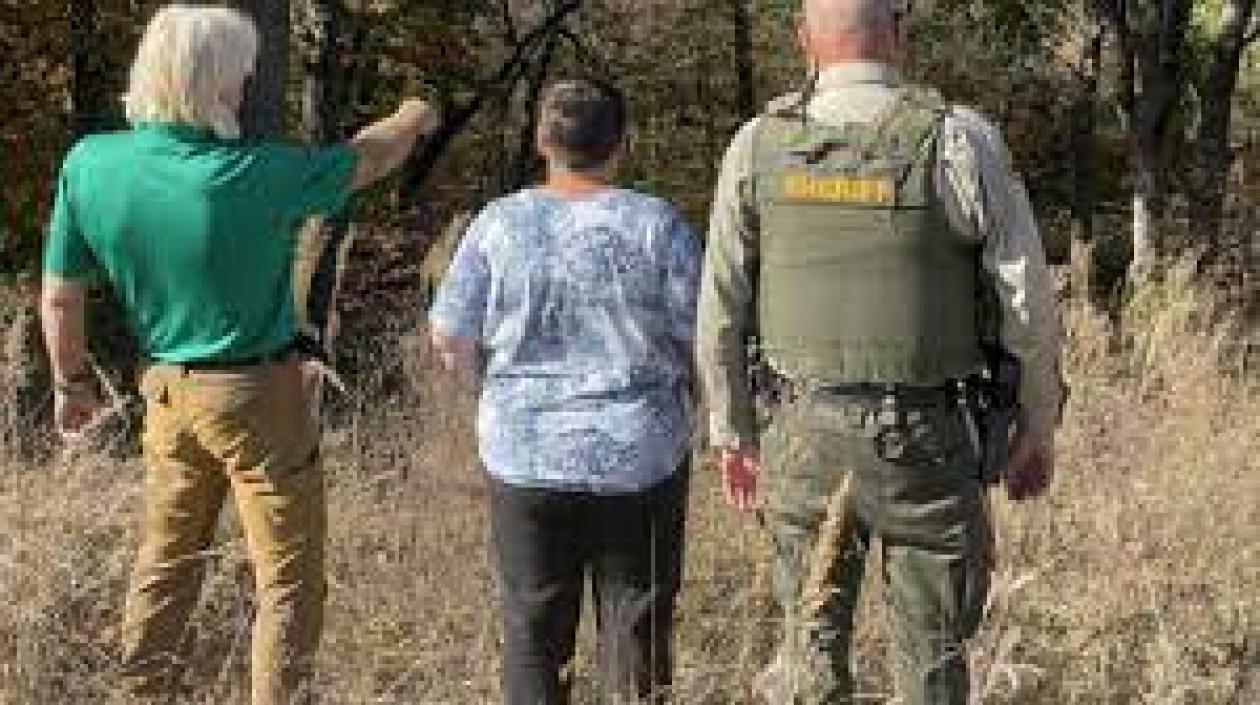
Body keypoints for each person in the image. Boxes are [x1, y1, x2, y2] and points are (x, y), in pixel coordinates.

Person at [40, 5, 439, 703]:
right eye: (239, 74)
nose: (248, 81)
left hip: (164, 392)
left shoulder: (90, 164)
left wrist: (70, 380)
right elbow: (370, 158)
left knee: (164, 564)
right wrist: (412, 113)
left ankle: (142, 691)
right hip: (259, 398)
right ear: (212, 82)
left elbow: (60, 298)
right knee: (286, 577)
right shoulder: (255, 171)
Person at [696, 1, 1065, 703]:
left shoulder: (757, 145)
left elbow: (720, 306)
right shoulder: (960, 140)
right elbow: (1027, 301)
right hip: (926, 438)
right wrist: (1036, 423)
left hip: (800, 431)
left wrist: (731, 429)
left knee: (807, 650)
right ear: (896, 34)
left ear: (804, 40)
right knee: (932, 660)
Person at [430, 79, 701, 705]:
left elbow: (449, 334)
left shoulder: (498, 223)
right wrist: (697, 402)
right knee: (637, 623)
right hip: (640, 455)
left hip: (524, 452)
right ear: (622, 142)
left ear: (542, 141)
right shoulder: (656, 224)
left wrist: (489, 397)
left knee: (531, 626)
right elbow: (701, 333)